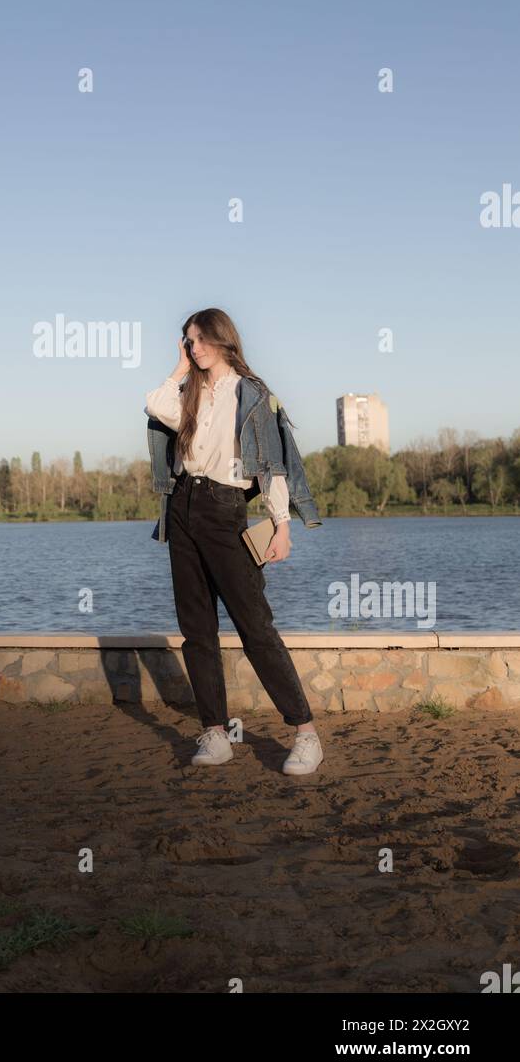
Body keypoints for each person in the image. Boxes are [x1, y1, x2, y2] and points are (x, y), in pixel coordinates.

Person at [145, 307, 323, 775]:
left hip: (226, 511)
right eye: (188, 341)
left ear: (223, 340)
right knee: (196, 629)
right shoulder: (188, 392)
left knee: (255, 625)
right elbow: (153, 405)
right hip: (182, 507)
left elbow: (273, 464)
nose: (194, 347)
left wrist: (281, 523)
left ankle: (305, 732)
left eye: (200, 339)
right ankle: (215, 733)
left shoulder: (253, 395)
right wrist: (180, 369)